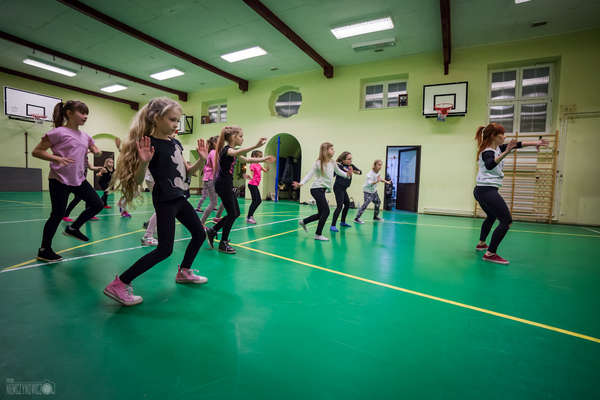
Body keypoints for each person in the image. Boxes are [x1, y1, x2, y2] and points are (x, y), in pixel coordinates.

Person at [103, 97, 209, 306]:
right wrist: (144, 163)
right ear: (156, 118)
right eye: (172, 120)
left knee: (199, 233)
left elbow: (187, 172)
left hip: (180, 197)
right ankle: (120, 283)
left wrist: (202, 160)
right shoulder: (149, 144)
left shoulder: (175, 142)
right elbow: (138, 181)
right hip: (165, 200)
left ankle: (184, 271)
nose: (176, 125)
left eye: (178, 121)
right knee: (164, 249)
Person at [32, 100, 104, 261]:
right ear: (69, 113)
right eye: (82, 113)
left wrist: (96, 151)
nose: (85, 116)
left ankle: (73, 228)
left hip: (79, 179)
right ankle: (44, 250)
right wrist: (57, 158)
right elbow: (37, 151)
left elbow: (95, 150)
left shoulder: (86, 136)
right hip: (59, 180)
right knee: (57, 215)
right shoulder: (58, 133)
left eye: (87, 113)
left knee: (97, 204)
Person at [473, 123, 547, 265]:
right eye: (502, 134)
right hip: (486, 190)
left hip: (482, 190)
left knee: (492, 216)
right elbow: (490, 165)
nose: (504, 136)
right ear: (494, 136)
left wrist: (535, 143)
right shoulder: (487, 152)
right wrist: (506, 152)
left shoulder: (496, 149)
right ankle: (490, 253)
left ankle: (482, 244)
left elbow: (518, 145)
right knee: (506, 221)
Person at [205, 126, 274, 254]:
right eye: (241, 136)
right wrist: (255, 146)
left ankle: (213, 231)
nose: (242, 139)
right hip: (223, 185)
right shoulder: (227, 150)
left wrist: (263, 159)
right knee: (232, 213)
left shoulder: (233, 151)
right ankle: (223, 243)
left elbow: (247, 159)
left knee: (235, 213)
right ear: (233, 137)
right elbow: (238, 153)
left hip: (227, 184)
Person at [292, 142, 351, 241]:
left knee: (321, 214)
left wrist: (347, 175)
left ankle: (304, 222)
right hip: (316, 189)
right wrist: (301, 184)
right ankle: (318, 234)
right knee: (326, 211)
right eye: (331, 149)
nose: (334, 151)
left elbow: (339, 172)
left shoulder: (333, 162)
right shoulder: (318, 163)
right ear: (325, 151)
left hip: (321, 190)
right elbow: (309, 174)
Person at [62, 153, 102, 222]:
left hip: (81, 182)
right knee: (75, 199)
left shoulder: (86, 159)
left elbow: (91, 167)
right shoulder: (77, 157)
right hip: (73, 182)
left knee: (87, 198)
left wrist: (100, 168)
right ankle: (65, 215)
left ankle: (89, 214)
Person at [330, 151, 361, 232]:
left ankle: (342, 222)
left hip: (344, 189)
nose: (351, 160)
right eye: (349, 159)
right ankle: (333, 225)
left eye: (351, 159)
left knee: (347, 204)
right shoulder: (339, 166)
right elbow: (333, 174)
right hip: (338, 188)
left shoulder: (351, 166)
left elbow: (360, 172)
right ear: (343, 160)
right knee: (339, 206)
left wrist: (353, 171)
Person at [354, 160, 391, 224]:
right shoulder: (370, 174)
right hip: (367, 192)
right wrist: (377, 181)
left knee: (378, 202)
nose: (380, 166)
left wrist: (386, 181)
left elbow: (379, 179)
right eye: (379, 165)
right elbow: (369, 183)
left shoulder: (378, 172)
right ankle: (356, 218)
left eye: (381, 165)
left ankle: (375, 217)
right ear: (375, 165)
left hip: (374, 192)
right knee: (365, 204)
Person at [245, 150, 269, 224]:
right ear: (254, 157)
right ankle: (249, 217)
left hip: (255, 185)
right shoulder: (252, 165)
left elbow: (265, 170)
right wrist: (250, 177)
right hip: (252, 184)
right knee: (256, 201)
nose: (261, 158)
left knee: (257, 201)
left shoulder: (259, 165)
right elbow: (251, 174)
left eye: (261, 157)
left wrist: (268, 165)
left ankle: (249, 216)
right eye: (260, 157)